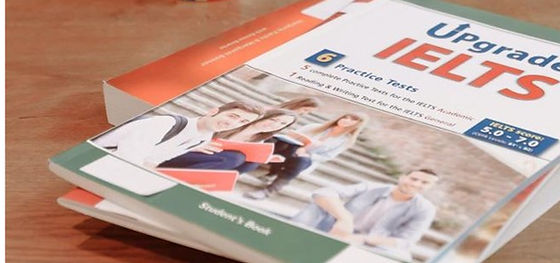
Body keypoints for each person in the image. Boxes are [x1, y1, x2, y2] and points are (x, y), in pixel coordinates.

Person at [291, 169, 439, 258]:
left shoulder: (425, 209)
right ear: (402, 177)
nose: (416, 184)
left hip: (370, 243)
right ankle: (290, 239)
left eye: (424, 183)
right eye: (413, 178)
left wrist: (360, 238)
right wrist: (344, 218)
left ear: (431, 187)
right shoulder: (372, 187)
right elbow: (323, 192)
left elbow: (405, 241)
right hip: (335, 229)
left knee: (401, 255)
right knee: (317, 205)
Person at [93, 101, 262, 168]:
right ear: (213, 111)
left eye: (241, 122)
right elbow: (127, 158)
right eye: (233, 116)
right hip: (99, 159)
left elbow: (153, 161)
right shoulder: (166, 124)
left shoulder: (203, 138)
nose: (232, 124)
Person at [245, 112, 367, 199]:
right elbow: (291, 136)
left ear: (357, 124)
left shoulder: (345, 140)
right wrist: (297, 142)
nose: (347, 120)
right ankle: (268, 172)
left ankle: (268, 190)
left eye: (353, 120)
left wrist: (308, 154)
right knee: (283, 146)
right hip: (287, 151)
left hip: (305, 159)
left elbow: (328, 156)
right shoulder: (315, 127)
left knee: (301, 160)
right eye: (346, 117)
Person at [156, 109, 297, 170]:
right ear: (265, 117)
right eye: (274, 119)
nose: (275, 125)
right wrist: (196, 145)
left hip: (208, 161)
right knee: (235, 158)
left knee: (249, 162)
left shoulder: (259, 141)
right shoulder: (234, 123)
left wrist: (267, 159)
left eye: (282, 124)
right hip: (186, 151)